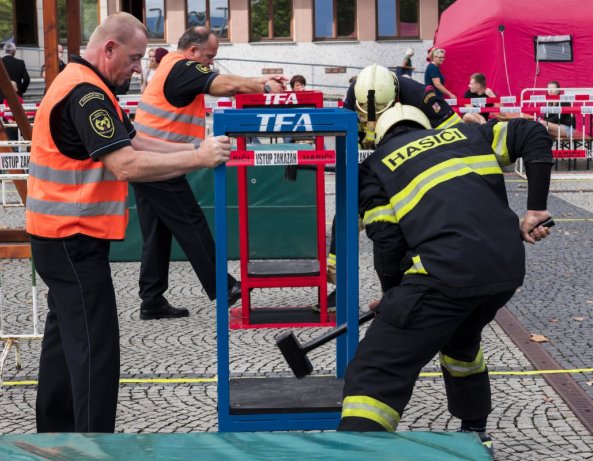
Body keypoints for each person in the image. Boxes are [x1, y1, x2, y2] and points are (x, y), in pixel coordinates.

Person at [26, 12, 231, 433]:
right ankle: (96, 446)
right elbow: (125, 164)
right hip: (73, 240)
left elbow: (134, 140)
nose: (138, 68)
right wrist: (197, 158)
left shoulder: (81, 83)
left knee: (64, 346)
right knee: (95, 353)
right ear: (109, 48)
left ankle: (55, 437)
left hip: (57, 237)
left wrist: (194, 149)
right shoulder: (88, 95)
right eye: (135, 58)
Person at [337, 103, 554, 457]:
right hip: (505, 269)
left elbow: (388, 240)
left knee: (375, 369)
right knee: (460, 341)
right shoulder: (468, 134)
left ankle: (358, 452)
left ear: (379, 136)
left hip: (448, 272)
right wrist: (536, 208)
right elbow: (532, 132)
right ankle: (475, 432)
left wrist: (394, 299)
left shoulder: (375, 167)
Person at [132, 26, 286, 320]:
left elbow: (222, 79)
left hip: (148, 159)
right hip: (161, 163)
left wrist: (261, 80)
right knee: (190, 223)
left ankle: (151, 301)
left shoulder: (172, 67)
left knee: (157, 233)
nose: (211, 63)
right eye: (209, 56)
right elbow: (223, 85)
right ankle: (223, 286)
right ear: (192, 51)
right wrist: (263, 89)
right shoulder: (183, 67)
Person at [322, 64, 464, 309]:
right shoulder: (355, 92)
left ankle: (415, 287)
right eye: (367, 113)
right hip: (372, 164)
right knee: (347, 215)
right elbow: (347, 140)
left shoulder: (421, 94)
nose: (373, 120)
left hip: (415, 167)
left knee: (408, 229)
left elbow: (457, 135)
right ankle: (341, 284)